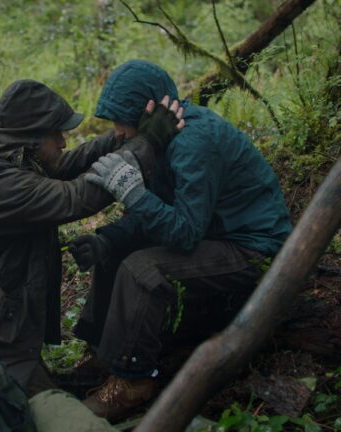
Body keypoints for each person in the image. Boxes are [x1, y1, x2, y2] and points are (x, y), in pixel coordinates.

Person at [0, 79, 184, 396]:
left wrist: (118, 138)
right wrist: (147, 143)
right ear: (29, 137)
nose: (62, 141)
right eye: (55, 133)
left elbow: (64, 166)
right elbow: (76, 197)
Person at [68, 60, 293, 421]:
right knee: (112, 253)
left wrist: (134, 194)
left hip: (251, 247)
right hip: (214, 235)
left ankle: (132, 381)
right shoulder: (160, 135)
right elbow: (156, 215)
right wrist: (107, 240)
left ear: (146, 111)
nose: (118, 133)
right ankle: (101, 359)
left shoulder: (193, 141)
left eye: (122, 121)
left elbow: (185, 233)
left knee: (143, 269)